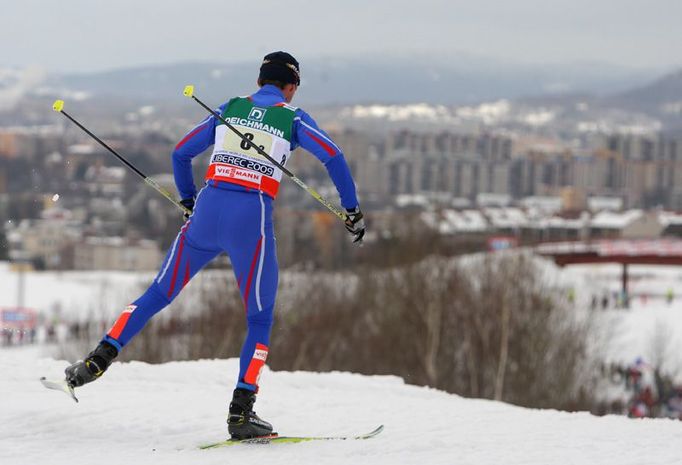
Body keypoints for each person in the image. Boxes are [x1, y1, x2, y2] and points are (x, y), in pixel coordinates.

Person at [63, 51, 365, 439]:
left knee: (158, 293)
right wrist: (352, 209)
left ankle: (96, 360)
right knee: (258, 319)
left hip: (207, 210)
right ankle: (241, 412)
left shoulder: (230, 107)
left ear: (260, 82)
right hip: (249, 218)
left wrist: (188, 201)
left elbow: (180, 152)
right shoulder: (294, 117)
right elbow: (334, 156)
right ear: (290, 87)